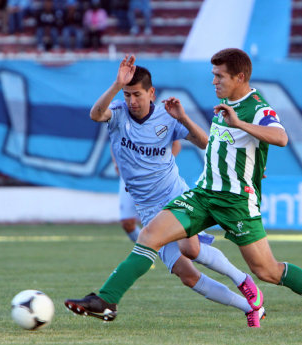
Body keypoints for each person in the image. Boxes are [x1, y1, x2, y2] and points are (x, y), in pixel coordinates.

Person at [66, 48, 302, 332]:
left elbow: (280, 137)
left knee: (267, 271)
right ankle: (107, 300)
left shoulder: (257, 107)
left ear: (240, 77)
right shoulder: (224, 108)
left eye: (219, 76)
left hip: (236, 203)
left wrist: (241, 124)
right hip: (204, 194)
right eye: (213, 75)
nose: (214, 81)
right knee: (150, 235)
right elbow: (216, 147)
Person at [65, 56, 267, 327]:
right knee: (187, 275)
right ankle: (250, 308)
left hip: (174, 197)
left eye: (137, 94)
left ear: (152, 93)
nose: (131, 101)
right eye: (127, 95)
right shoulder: (118, 112)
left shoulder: (166, 117)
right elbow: (95, 115)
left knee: (190, 249)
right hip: (147, 208)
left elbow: (206, 142)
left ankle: (242, 279)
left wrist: (183, 118)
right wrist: (117, 85)